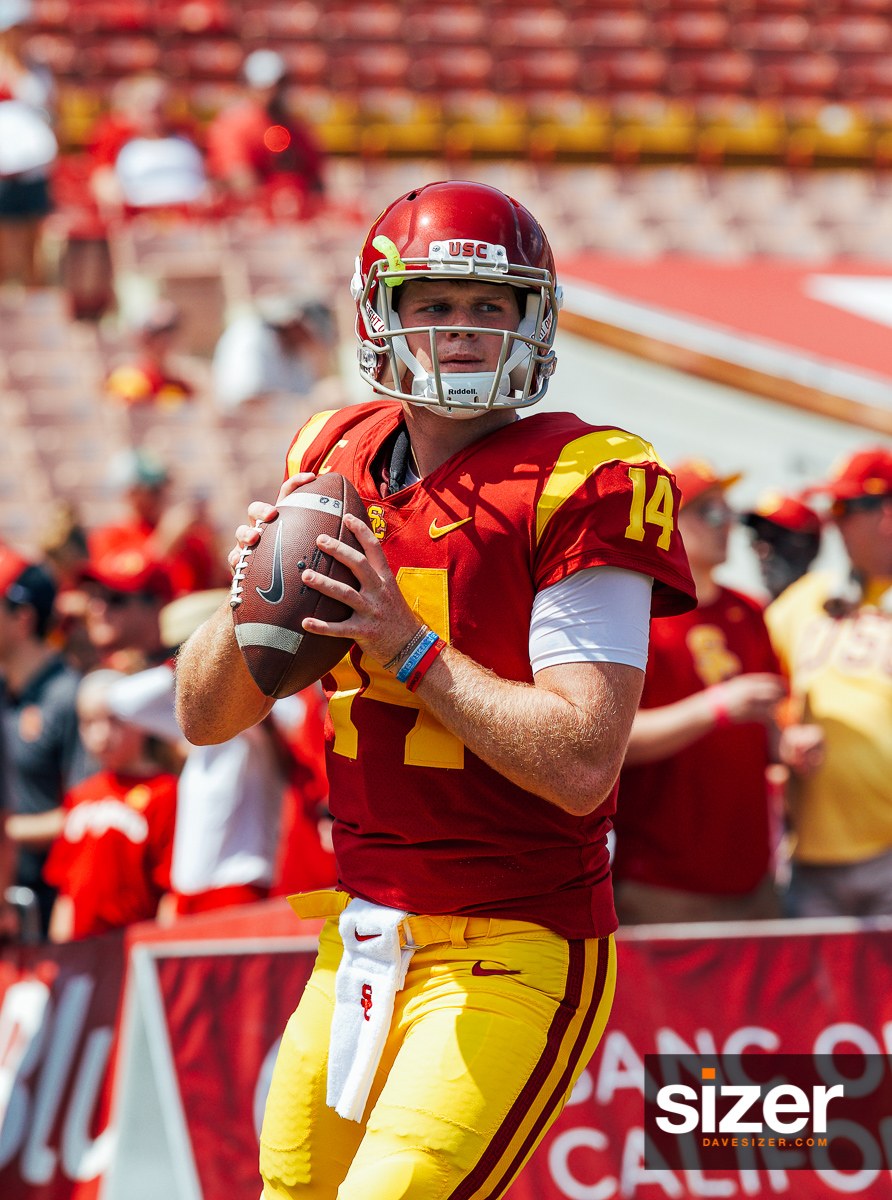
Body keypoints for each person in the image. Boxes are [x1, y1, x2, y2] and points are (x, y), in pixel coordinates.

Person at [176, 180, 696, 1200]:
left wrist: (405, 644)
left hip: (514, 937)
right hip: (361, 935)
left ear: (530, 319)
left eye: (488, 307)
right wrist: (248, 599)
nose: (460, 332)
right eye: (434, 304)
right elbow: (206, 717)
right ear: (383, 311)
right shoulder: (332, 453)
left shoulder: (587, 475)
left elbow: (583, 764)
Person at [611, 459, 821, 924]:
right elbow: (610, 742)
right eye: (708, 512)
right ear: (667, 523)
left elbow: (771, 722)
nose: (725, 524)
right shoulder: (635, 613)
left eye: (728, 512)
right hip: (661, 884)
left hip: (754, 880)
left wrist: (790, 743)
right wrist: (716, 708)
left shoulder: (747, 610)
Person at [107, 589, 292, 916]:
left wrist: (213, 664)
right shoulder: (200, 720)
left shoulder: (251, 716)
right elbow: (121, 701)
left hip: (238, 887)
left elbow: (125, 701)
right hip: (188, 891)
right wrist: (185, 666)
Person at [766, 447, 892, 917]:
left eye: (843, 509)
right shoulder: (810, 596)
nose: (831, 522)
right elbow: (755, 682)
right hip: (812, 858)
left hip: (889, 855)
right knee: (816, 992)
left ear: (886, 513)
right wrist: (783, 735)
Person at [6, 670, 177, 941]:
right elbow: (67, 892)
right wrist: (61, 955)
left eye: (113, 719)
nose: (101, 734)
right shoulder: (81, 795)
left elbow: (172, 889)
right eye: (88, 723)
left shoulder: (166, 791)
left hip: (134, 945)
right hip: (83, 953)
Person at [0, 545, 87, 934]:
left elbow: (91, 812)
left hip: (52, 911)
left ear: (22, 618)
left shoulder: (68, 697)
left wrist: (10, 831)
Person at [205, 48, 324, 218]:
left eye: (277, 85)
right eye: (264, 87)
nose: (271, 93)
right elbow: (239, 180)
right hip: (250, 216)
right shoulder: (233, 125)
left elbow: (316, 178)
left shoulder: (296, 128)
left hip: (296, 213)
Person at [89, 449, 225, 597]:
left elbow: (216, 588)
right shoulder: (108, 536)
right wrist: (165, 540)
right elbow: (122, 583)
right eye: (153, 490)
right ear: (130, 493)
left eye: (162, 487)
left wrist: (213, 542)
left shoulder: (191, 536)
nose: (161, 495)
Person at [0, 0, 56, 285]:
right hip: (3, 171)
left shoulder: (38, 69)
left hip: (32, 169)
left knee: (33, 247)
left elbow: (48, 112)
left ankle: (31, 309)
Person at [212, 292, 337, 411]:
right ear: (294, 323)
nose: (308, 341)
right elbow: (245, 399)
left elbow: (305, 394)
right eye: (308, 334)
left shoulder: (295, 353)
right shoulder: (251, 335)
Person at [78, 547, 174, 673]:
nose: (97, 608)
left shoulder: (184, 669)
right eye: (92, 596)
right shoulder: (88, 666)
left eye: (115, 598)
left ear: (155, 605)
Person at [105, 299, 194, 408]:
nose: (167, 339)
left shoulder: (179, 384)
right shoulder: (128, 379)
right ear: (142, 336)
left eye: (172, 329)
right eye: (158, 332)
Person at [741, 490, 822, 602]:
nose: (762, 550)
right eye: (757, 538)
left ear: (812, 546)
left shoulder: (829, 609)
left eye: (774, 538)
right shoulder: (748, 612)